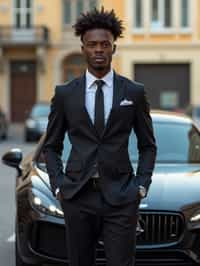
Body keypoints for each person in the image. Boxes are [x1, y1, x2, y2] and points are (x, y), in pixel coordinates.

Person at [44, 7, 157, 266]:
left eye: (104, 44)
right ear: (83, 48)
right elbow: (51, 146)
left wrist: (141, 185)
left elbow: (148, 145)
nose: (98, 50)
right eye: (92, 44)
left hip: (121, 197)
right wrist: (59, 185)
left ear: (113, 48)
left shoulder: (134, 92)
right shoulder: (65, 94)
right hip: (78, 196)